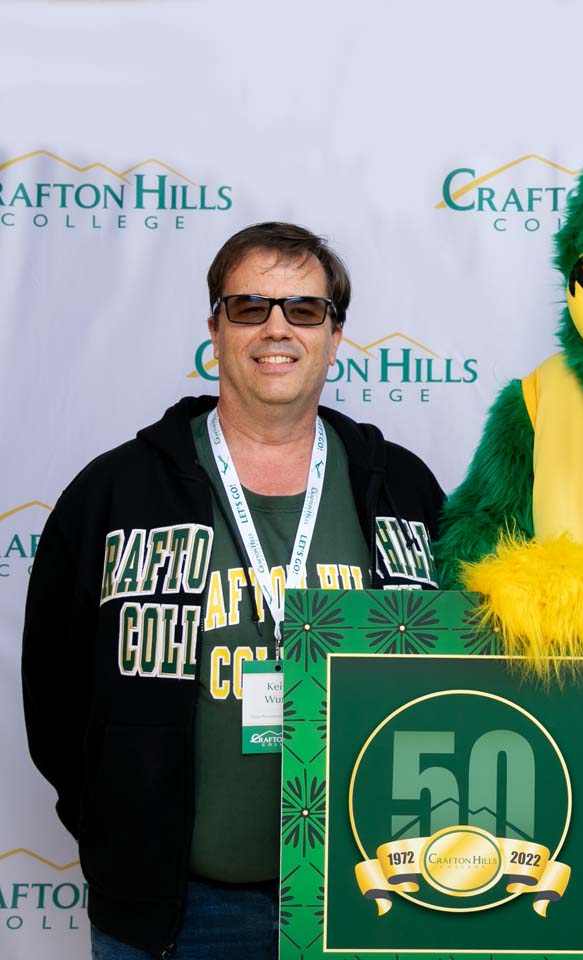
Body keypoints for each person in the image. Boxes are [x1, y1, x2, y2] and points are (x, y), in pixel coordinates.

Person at [21, 222, 445, 959]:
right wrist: (123, 831)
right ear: (214, 326)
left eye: (304, 310)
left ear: (335, 334)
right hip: (177, 916)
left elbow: (456, 673)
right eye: (250, 307)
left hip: (370, 899)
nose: (276, 327)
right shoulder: (118, 492)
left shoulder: (402, 487)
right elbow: (52, 692)